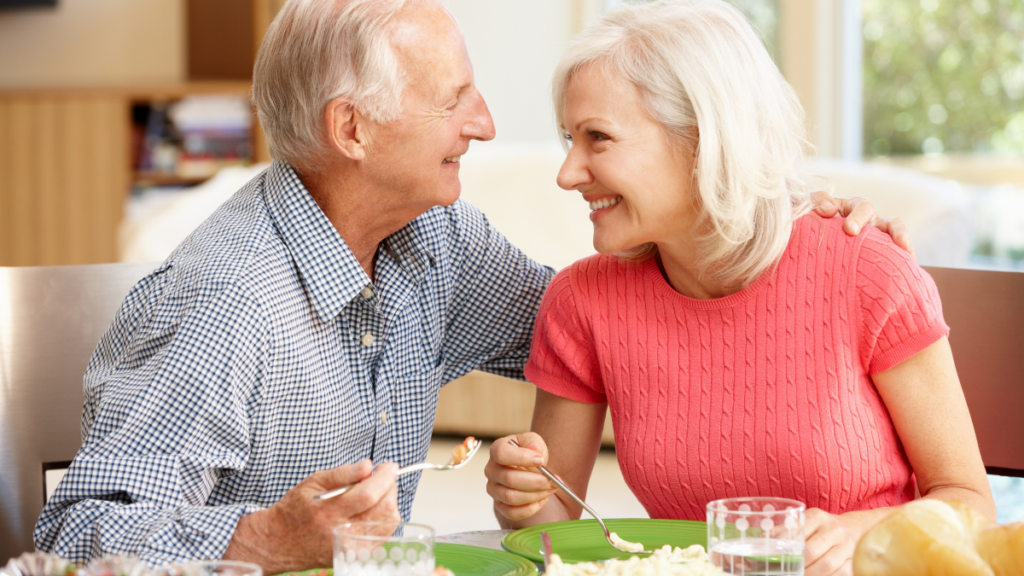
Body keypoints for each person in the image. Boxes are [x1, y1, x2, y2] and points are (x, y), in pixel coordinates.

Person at [34, 0, 901, 570]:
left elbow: (612, 325)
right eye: (456, 99)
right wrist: (265, 539)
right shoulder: (224, 305)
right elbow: (72, 543)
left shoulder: (435, 242)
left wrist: (764, 222)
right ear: (353, 129)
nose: (484, 124)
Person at [484, 2, 996, 576]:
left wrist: (862, 530)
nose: (568, 172)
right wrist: (522, 495)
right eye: (568, 139)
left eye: (598, 138)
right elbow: (557, 528)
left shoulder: (867, 273)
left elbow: (970, 504)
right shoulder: (583, 302)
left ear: (704, 139)